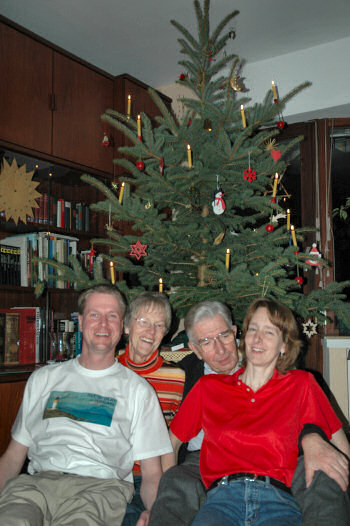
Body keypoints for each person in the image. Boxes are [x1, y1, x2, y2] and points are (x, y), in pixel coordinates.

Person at [152, 299, 350, 526]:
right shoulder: (206, 385)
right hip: (218, 492)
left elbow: (338, 445)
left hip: (277, 494)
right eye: (254, 329)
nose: (257, 339)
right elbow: (172, 443)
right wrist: (161, 494)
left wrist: (314, 440)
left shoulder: (300, 382)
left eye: (269, 332)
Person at [0, 284, 173, 526]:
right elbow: (13, 456)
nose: (103, 324)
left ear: (122, 326)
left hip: (99, 491)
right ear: (80, 322)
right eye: (94, 315)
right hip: (35, 486)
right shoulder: (43, 379)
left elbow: (152, 472)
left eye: (111, 316)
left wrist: (155, 511)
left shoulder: (138, 390)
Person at [118, 292, 185, 526]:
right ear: (126, 326)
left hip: (150, 480)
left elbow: (174, 441)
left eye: (159, 325)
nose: (150, 331)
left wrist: (159, 502)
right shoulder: (107, 370)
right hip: (109, 477)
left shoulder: (177, 377)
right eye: (143, 322)